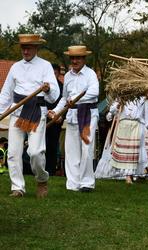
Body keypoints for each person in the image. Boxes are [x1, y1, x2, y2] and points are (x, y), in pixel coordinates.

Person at [0, 34, 60, 198]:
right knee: (13, 152)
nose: (25, 50)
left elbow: (55, 94)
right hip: (17, 112)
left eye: (29, 47)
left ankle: (41, 179)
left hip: (36, 112)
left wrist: (48, 89)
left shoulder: (45, 66)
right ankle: (17, 187)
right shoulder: (15, 67)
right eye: (23, 47)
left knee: (35, 152)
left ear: (36, 48)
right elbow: (6, 92)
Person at [49, 45, 99, 192]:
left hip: (88, 114)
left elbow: (94, 93)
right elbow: (65, 98)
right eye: (72, 58)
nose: (75, 61)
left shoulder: (91, 74)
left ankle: (87, 183)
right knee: (71, 151)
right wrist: (56, 111)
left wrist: (76, 100)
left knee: (87, 149)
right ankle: (73, 183)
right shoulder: (68, 76)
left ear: (84, 59)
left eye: (78, 58)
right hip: (72, 116)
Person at [104, 98, 148, 183]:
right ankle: (127, 174)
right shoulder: (122, 96)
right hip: (124, 126)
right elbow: (112, 110)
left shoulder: (143, 98)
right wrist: (117, 106)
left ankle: (132, 174)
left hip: (137, 126)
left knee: (134, 152)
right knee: (125, 151)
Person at [45, 64, 64, 176]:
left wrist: (60, 116)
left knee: (53, 145)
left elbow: (65, 103)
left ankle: (51, 170)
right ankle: (40, 168)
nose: (53, 75)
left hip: (56, 120)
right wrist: (46, 112)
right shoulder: (44, 86)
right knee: (42, 144)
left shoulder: (62, 87)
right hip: (44, 118)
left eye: (55, 73)